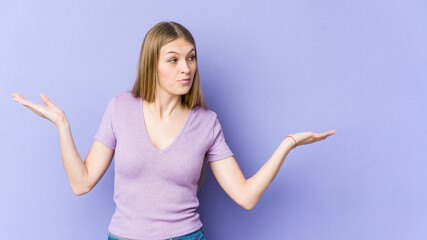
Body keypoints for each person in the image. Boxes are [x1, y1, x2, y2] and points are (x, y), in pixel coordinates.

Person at [11, 21, 337, 240]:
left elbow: (246, 196)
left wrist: (288, 144)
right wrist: (62, 125)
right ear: (151, 63)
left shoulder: (206, 123)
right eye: (174, 59)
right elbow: (81, 183)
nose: (186, 68)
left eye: (191, 58)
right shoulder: (120, 108)